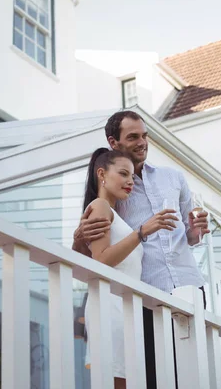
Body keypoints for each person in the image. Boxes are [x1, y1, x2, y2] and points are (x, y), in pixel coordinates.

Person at [73, 110, 210, 388]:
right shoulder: (115, 190)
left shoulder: (174, 178)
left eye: (145, 135)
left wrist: (195, 231)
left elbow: (190, 234)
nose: (142, 142)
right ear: (114, 142)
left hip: (190, 287)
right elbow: (96, 253)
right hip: (146, 296)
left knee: (192, 376)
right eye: (133, 136)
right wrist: (79, 236)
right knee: (155, 378)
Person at [80, 147, 178, 389]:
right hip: (110, 309)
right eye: (123, 174)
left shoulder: (114, 213)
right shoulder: (100, 206)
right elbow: (100, 261)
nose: (129, 182)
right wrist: (142, 232)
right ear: (101, 174)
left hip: (124, 311)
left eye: (132, 177)